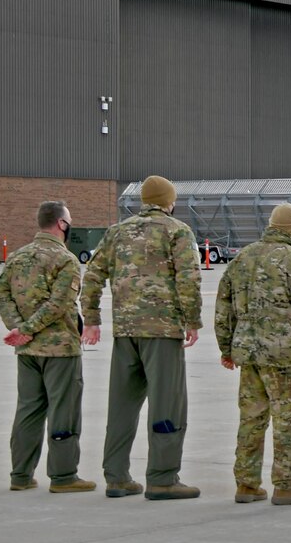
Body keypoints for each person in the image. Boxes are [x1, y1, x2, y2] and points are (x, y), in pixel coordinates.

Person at [81, 175, 203, 501]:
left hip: (125, 332)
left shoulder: (117, 232)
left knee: (121, 407)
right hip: (162, 331)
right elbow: (189, 278)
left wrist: (91, 320)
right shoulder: (177, 231)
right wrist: (193, 320)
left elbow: (91, 276)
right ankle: (163, 478)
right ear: (168, 201)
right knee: (168, 405)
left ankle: (117, 477)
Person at [215, 203, 291, 504]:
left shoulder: (242, 258)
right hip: (283, 355)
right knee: (287, 420)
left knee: (251, 419)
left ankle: (246, 484)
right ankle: (286, 484)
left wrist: (226, 347)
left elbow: (223, 307)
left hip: (248, 354)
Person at [0, 201, 94, 493]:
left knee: (28, 410)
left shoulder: (17, 256)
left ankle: (20, 475)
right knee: (64, 410)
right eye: (69, 221)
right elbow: (59, 304)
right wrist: (25, 330)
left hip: (27, 350)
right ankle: (63, 476)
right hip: (59, 349)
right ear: (61, 224)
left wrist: (18, 329)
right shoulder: (65, 260)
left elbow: (1, 295)